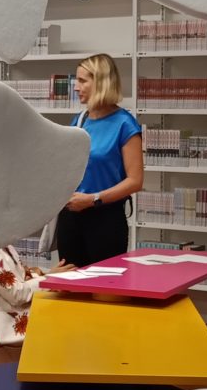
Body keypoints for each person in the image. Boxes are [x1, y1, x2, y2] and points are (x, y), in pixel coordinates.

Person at [57, 53, 143, 268]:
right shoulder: (80, 120)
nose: (76, 87)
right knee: (69, 283)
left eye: (82, 81)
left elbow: (135, 181)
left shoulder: (124, 124)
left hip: (105, 221)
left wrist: (93, 199)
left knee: (104, 285)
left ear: (101, 82)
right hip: (71, 217)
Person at [0, 247, 70, 357]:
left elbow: (18, 279)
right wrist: (50, 279)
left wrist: (48, 275)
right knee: (67, 313)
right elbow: (17, 295)